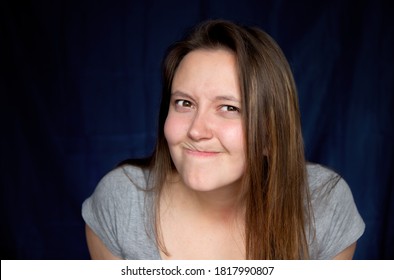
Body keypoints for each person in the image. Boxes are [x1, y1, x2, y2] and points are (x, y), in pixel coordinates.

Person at [82, 19, 365, 259]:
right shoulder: (120, 201)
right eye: (184, 103)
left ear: (270, 133)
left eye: (229, 108)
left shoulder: (325, 206)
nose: (197, 130)